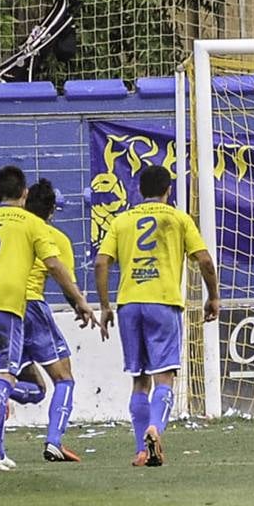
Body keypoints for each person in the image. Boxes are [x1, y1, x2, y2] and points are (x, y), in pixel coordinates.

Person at [0, 165, 96, 471]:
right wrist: (79, 302)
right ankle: (48, 440)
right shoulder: (38, 228)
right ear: (25, 195)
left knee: (11, 380)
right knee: (62, 377)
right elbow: (57, 268)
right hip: (19, 305)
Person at [95, 164, 221, 467]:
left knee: (139, 381)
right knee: (164, 377)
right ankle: (155, 428)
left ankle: (142, 449)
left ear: (139, 190)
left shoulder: (122, 220)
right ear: (168, 191)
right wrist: (213, 296)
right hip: (162, 303)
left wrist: (104, 305)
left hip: (129, 305)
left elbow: (101, 263)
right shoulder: (178, 218)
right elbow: (203, 259)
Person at [4, 178, 85, 462]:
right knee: (65, 379)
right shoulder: (55, 238)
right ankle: (54, 441)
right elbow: (65, 281)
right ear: (52, 211)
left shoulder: (10, 232)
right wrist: (81, 308)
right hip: (32, 308)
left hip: (3, 309)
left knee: (36, 390)